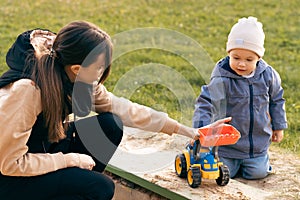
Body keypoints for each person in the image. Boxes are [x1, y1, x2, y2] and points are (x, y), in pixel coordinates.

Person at [0, 21, 230, 200]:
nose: (103, 74)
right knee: (101, 187)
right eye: (100, 69)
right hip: (9, 177)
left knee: (110, 124)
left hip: (40, 149)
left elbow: (125, 109)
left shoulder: (77, 79)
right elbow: (10, 164)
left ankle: (73, 187)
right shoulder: (27, 92)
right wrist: (68, 160)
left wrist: (189, 131)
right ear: (77, 68)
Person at [192, 16, 288, 180]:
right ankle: (233, 163)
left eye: (249, 59)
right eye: (236, 58)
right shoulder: (222, 78)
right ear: (229, 53)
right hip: (227, 145)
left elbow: (277, 100)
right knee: (223, 172)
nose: (241, 64)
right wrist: (200, 130)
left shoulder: (268, 76)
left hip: (256, 145)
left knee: (257, 173)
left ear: (259, 58)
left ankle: (258, 163)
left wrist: (279, 126)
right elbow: (205, 103)